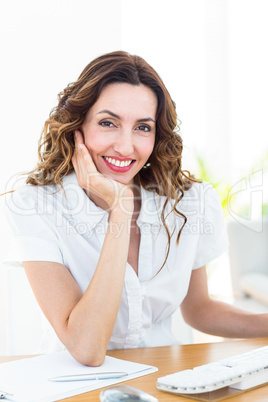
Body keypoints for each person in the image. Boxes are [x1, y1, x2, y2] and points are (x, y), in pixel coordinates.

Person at [4, 51, 268, 366]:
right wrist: (120, 207)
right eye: (108, 123)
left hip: (166, 375)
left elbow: (200, 309)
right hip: (74, 385)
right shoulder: (35, 206)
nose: (126, 146)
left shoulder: (188, 201)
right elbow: (87, 347)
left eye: (143, 127)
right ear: (78, 127)